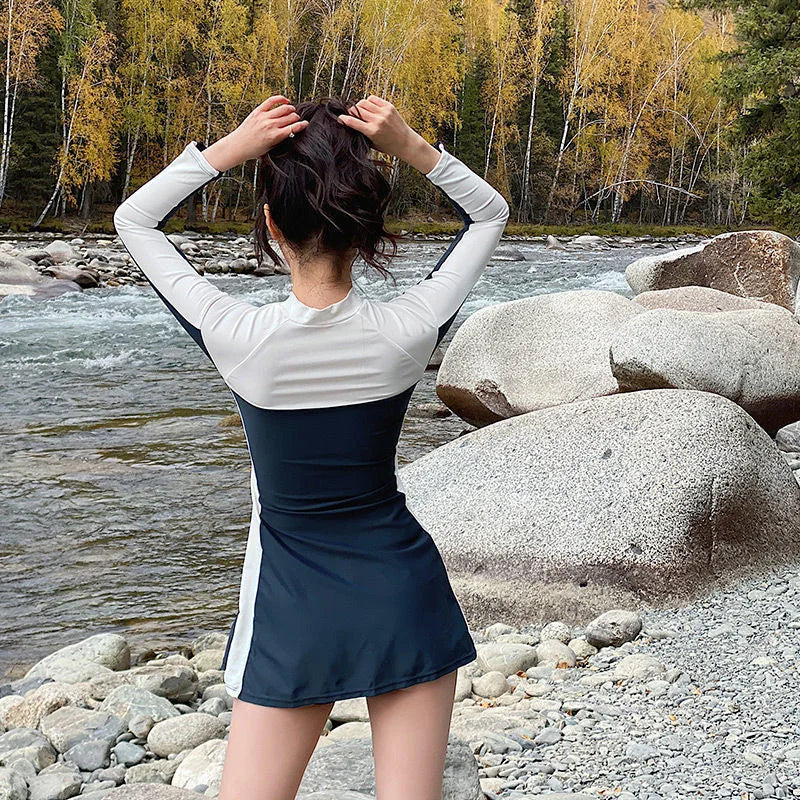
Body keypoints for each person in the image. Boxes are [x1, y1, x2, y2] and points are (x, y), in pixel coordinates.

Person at [112, 93, 509, 800]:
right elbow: (490, 213)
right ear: (367, 231)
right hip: (402, 589)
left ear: (270, 224)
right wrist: (411, 144)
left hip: (291, 606)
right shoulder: (409, 329)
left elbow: (133, 219)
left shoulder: (239, 338)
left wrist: (230, 148)